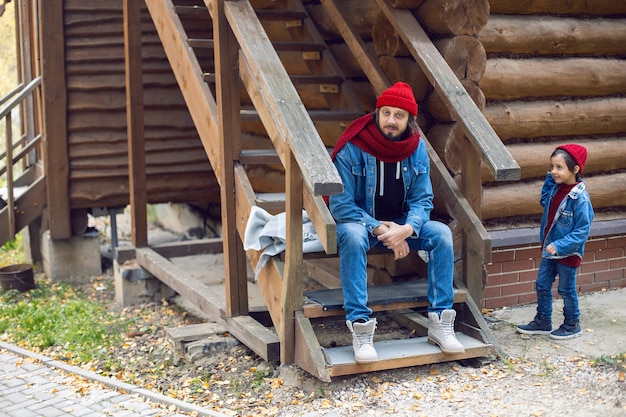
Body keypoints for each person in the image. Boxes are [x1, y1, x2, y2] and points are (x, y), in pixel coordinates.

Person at [328, 82, 464, 363]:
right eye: (386, 113)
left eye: (399, 115)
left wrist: (405, 230)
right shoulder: (354, 146)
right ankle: (361, 327)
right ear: (377, 113)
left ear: (409, 120)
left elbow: (423, 200)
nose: (391, 120)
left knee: (440, 233)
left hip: (401, 224)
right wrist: (380, 228)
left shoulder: (416, 149)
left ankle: (440, 322)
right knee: (352, 237)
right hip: (360, 222)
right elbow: (341, 204)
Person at [517, 144, 594, 340]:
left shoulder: (580, 198)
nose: (554, 171)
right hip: (550, 249)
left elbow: (582, 230)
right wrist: (550, 178)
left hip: (568, 252)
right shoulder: (555, 189)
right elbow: (544, 200)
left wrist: (560, 245)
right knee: (542, 284)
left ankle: (572, 323)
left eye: (559, 167)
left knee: (565, 289)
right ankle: (543, 321)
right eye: (552, 166)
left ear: (575, 169)